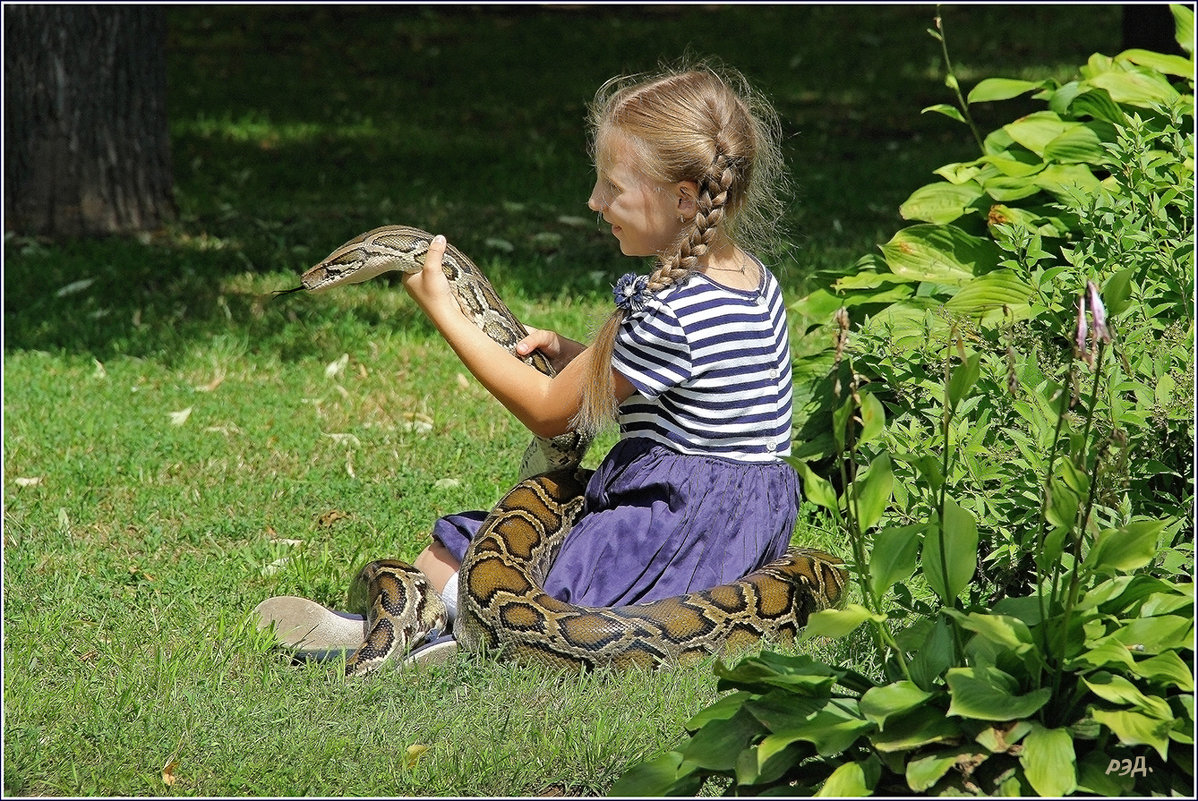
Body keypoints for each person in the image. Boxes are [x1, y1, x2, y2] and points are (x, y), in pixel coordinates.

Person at [258, 62, 800, 664]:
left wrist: (445, 313)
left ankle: (454, 631)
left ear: (682, 197)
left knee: (557, 586)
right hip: (742, 519)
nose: (595, 202)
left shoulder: (667, 311)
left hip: (671, 523)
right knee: (471, 537)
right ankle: (388, 621)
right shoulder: (751, 280)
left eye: (612, 188)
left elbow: (547, 413)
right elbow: (686, 386)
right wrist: (577, 356)